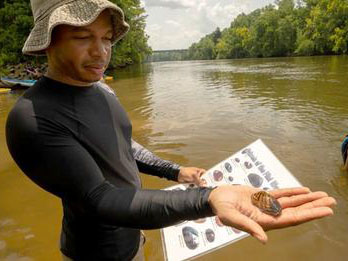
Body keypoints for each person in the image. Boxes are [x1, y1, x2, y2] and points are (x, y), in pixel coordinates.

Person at [6, 0, 336, 260]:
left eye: (106, 39)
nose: (101, 51)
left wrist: (175, 172)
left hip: (136, 232)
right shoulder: (34, 118)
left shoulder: (100, 89)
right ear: (47, 41)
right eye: (82, 38)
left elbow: (122, 145)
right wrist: (209, 199)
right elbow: (101, 199)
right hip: (96, 253)